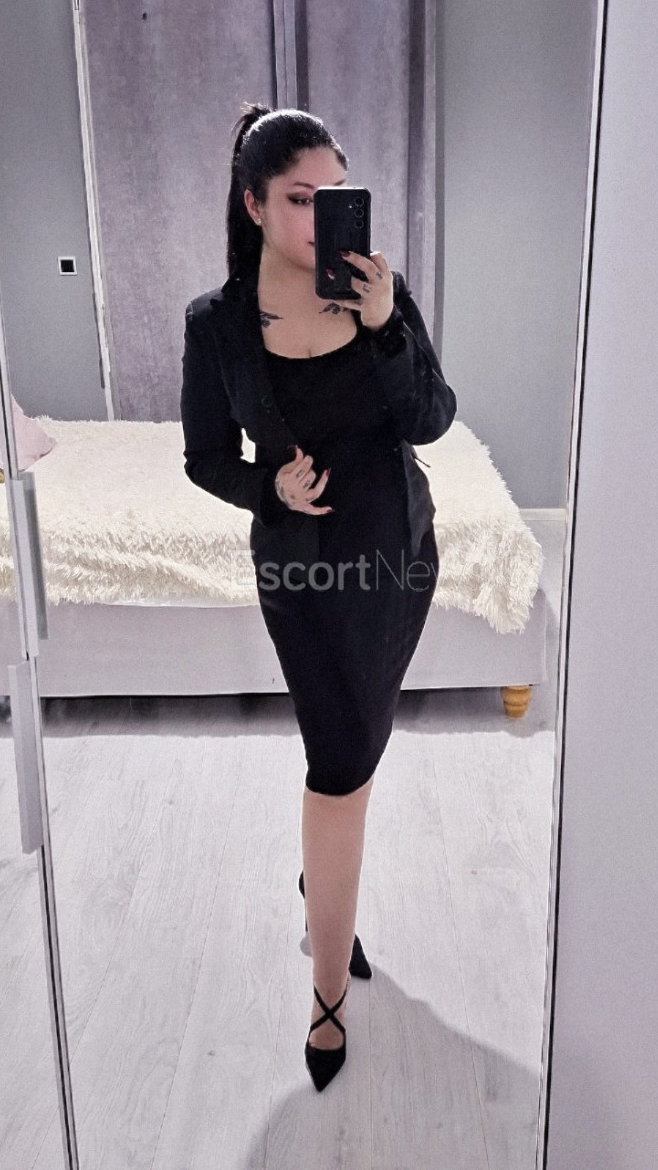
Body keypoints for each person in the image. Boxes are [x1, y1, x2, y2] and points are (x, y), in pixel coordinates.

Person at [179, 103, 456, 1091]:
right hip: (298, 570)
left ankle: (321, 886)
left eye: (335, 195)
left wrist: (383, 327)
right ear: (254, 204)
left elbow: (431, 420)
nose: (319, 217)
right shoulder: (216, 325)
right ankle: (328, 993)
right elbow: (204, 458)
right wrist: (272, 488)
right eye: (299, 199)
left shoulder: (382, 294)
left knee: (356, 751)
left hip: (395, 559)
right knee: (338, 762)